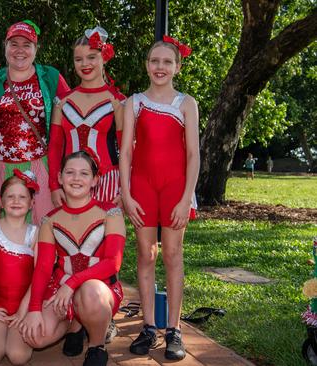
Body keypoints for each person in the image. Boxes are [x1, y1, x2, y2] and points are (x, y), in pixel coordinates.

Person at [119, 36, 200, 360]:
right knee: (145, 254)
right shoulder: (134, 102)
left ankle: (174, 330)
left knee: (173, 255)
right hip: (141, 187)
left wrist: (185, 199)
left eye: (167, 62)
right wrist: (125, 193)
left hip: (175, 188)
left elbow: (193, 154)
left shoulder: (186, 103)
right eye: (155, 61)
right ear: (147, 65)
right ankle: (149, 326)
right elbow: (125, 152)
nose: (160, 67)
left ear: (177, 67)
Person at [22, 150, 126, 366]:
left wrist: (72, 283)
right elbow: (42, 268)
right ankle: (76, 325)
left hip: (99, 290)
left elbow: (112, 263)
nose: (76, 178)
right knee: (36, 336)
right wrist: (33, 310)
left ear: (95, 180)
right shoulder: (49, 220)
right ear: (59, 177)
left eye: (84, 173)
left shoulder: (111, 213)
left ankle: (97, 346)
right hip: (61, 290)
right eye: (70, 172)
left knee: (89, 293)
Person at [0, 20, 70, 223]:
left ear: (36, 48)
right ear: (5, 47)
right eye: (14, 44)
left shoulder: (51, 77)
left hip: (40, 167)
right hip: (0, 169)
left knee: (44, 229)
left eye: (26, 44)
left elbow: (70, 118)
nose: (19, 50)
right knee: (2, 230)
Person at [49, 26, 124, 207]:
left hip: (108, 182)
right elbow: (55, 146)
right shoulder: (62, 101)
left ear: (104, 57)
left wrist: (125, 189)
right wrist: (54, 186)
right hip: (69, 183)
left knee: (107, 234)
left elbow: (126, 148)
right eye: (78, 59)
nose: (85, 64)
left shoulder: (118, 101)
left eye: (92, 57)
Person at [0, 169, 38, 365]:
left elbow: (39, 276)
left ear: (31, 204)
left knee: (18, 356)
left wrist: (24, 311)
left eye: (22, 197)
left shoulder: (35, 233)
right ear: (1, 202)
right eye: (10, 196)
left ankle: (15, 333)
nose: (16, 200)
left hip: (24, 309)